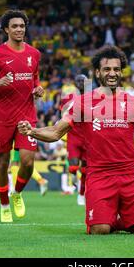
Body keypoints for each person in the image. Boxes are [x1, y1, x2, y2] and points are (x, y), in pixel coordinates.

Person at [17, 45, 134, 235]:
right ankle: (106, 218)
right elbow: (55, 132)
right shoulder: (82, 103)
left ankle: (115, 216)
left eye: (117, 69)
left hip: (130, 174)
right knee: (100, 230)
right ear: (97, 72)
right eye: (107, 69)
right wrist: (32, 131)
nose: (112, 73)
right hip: (99, 175)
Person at [0, 10, 44, 223]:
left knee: (28, 160)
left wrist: (38, 89)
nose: (19, 30)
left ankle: (17, 193)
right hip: (3, 117)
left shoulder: (34, 54)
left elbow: (35, 79)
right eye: (14, 26)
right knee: (2, 162)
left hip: (26, 116)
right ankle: (4, 204)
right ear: (6, 29)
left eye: (22, 26)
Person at [61, 74, 89, 206]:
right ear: (74, 83)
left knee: (85, 170)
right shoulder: (68, 98)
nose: (80, 83)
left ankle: (82, 193)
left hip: (88, 137)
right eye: (78, 80)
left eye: (83, 80)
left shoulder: (94, 97)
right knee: (73, 167)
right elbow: (63, 115)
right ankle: (72, 180)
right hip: (73, 136)